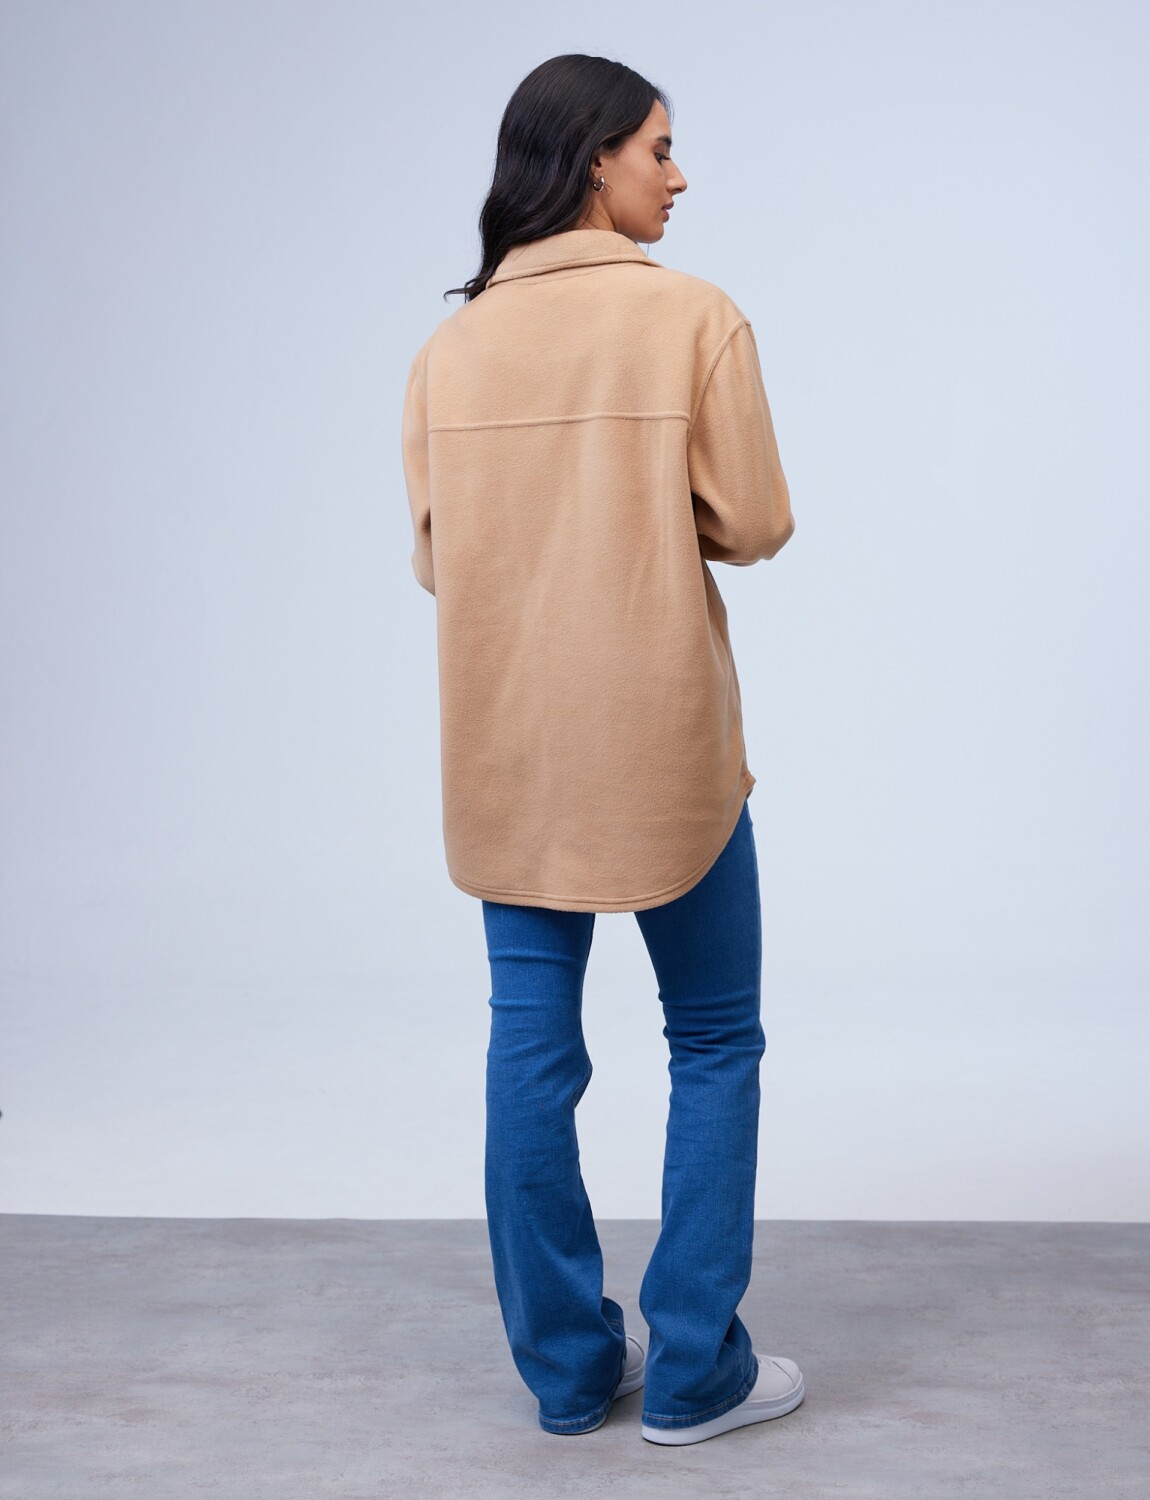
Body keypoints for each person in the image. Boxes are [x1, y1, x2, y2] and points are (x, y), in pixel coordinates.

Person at [401, 53, 803, 1445]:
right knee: (714, 1039)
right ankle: (694, 1376)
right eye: (659, 149)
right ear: (592, 160)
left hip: (509, 749)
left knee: (530, 1045)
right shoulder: (691, 318)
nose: (678, 177)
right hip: (665, 743)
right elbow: (754, 522)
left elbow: (441, 562)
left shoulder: (449, 352)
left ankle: (570, 1375)